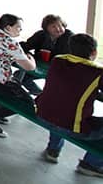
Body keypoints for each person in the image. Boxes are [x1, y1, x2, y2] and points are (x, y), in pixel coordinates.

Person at [36, 34, 103, 176]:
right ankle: (91, 164)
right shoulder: (98, 72)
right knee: (68, 116)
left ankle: (53, 149)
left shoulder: (57, 60)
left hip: (42, 115)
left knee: (61, 106)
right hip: (69, 127)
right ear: (94, 53)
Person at [18, 14, 73, 94]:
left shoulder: (69, 37)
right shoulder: (41, 35)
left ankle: (46, 98)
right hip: (40, 66)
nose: (58, 29)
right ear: (46, 29)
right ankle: (40, 94)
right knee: (20, 77)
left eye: (60, 25)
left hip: (59, 70)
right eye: (53, 26)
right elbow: (27, 45)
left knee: (54, 86)